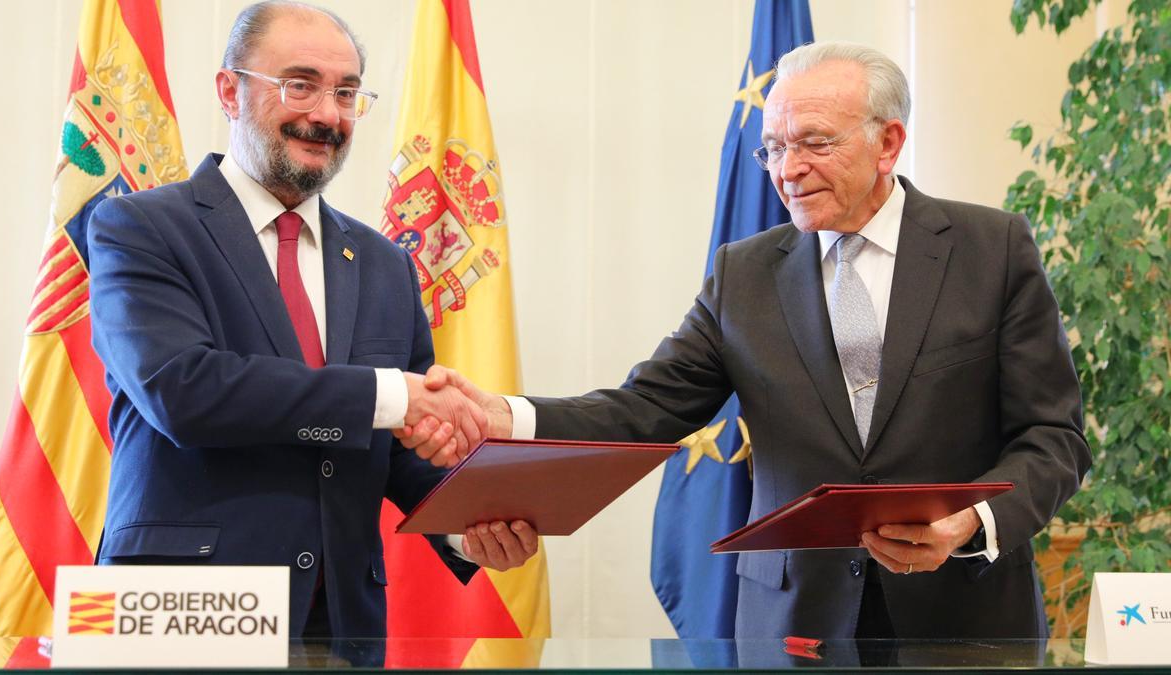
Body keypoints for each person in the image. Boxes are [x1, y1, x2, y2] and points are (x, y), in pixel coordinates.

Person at [399, 41, 1091, 640]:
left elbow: (1054, 436)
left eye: (815, 142)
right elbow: (640, 410)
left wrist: (969, 522)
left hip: (965, 615)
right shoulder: (745, 273)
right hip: (795, 623)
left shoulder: (991, 249)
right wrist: (503, 415)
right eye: (775, 147)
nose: (789, 169)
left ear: (889, 142)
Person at [87, 0, 538, 639]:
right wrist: (390, 394)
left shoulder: (385, 263)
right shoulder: (139, 227)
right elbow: (181, 391)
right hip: (175, 612)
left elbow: (398, 447)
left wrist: (467, 528)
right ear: (228, 90)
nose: (326, 114)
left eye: (347, 93)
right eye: (300, 85)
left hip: (340, 623)